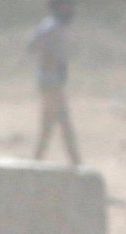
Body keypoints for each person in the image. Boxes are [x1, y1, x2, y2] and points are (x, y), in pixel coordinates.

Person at [28, 0, 81, 166]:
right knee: (63, 122)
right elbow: (33, 45)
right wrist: (49, 61)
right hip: (50, 83)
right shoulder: (51, 26)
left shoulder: (55, 26)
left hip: (53, 81)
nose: (70, 8)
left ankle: (35, 163)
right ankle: (77, 164)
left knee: (49, 125)